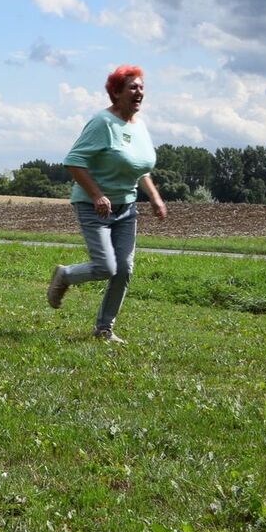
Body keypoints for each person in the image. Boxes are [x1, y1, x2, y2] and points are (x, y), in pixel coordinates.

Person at [46, 64, 167, 343]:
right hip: (94, 207)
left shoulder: (140, 127)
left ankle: (104, 329)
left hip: (126, 208)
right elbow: (74, 161)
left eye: (141, 87)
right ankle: (65, 275)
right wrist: (97, 195)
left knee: (124, 269)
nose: (139, 92)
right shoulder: (102, 123)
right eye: (133, 87)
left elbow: (140, 169)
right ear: (116, 92)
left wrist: (155, 197)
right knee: (106, 266)